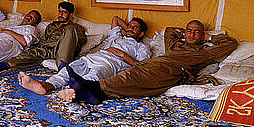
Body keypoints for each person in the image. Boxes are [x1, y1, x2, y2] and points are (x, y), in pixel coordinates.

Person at [61, 20, 238, 104]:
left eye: (196, 32)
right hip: (156, 63)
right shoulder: (174, 45)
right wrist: (183, 33)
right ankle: (95, 92)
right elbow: (169, 30)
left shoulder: (203, 52)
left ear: (202, 35)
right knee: (131, 77)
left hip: (175, 69)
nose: (191, 34)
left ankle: (93, 88)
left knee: (134, 77)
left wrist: (209, 37)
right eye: (189, 30)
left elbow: (230, 43)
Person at [18, 15, 151, 95]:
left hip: (111, 64)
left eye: (135, 28)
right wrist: (129, 27)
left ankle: (71, 91)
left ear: (142, 34)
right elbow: (115, 19)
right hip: (92, 58)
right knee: (68, 70)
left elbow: (142, 66)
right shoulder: (116, 38)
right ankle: (45, 86)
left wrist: (121, 54)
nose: (129, 29)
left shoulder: (142, 47)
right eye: (129, 26)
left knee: (93, 76)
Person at [0, 1, 86, 73]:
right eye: (60, 12)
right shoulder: (52, 25)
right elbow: (44, 40)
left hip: (61, 50)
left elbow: (79, 41)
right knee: (26, 55)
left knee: (70, 30)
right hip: (47, 49)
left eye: (64, 12)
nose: (61, 15)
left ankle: (63, 70)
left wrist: (66, 43)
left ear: (70, 15)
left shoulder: (75, 28)